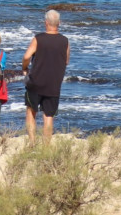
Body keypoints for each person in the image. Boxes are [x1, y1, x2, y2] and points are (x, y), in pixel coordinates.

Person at [22, 10, 70, 145]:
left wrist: (24, 67)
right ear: (59, 23)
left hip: (36, 81)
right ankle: (46, 145)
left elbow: (26, 56)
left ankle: (32, 142)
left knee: (31, 111)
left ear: (46, 23)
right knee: (48, 115)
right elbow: (66, 60)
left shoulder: (38, 38)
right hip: (53, 83)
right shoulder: (65, 41)